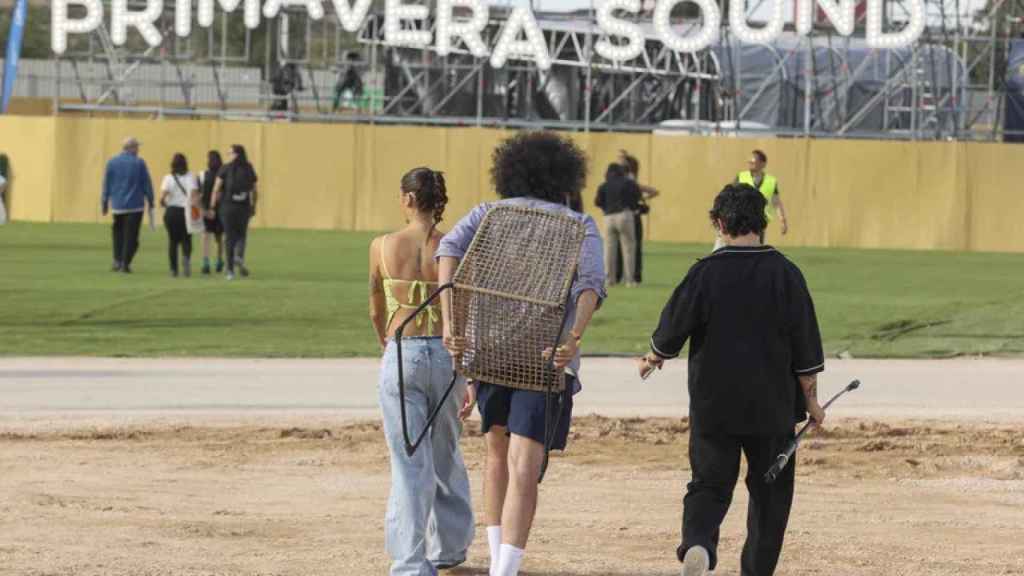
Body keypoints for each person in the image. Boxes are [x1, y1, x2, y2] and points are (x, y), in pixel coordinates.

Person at [437, 132, 606, 576]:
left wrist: (451, 326)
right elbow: (590, 284)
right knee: (525, 466)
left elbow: (447, 252)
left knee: (496, 454)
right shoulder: (579, 224)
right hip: (546, 356)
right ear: (564, 178)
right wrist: (575, 335)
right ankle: (505, 569)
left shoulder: (488, 212)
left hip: (491, 349)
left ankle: (498, 560)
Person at [638, 183, 826, 576]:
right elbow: (805, 349)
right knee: (770, 496)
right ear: (762, 222)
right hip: (772, 409)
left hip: (714, 407)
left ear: (720, 223)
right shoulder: (787, 274)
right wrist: (812, 401)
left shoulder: (705, 273)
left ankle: (699, 544)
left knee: (708, 484)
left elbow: (672, 329)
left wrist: (654, 357)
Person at [368, 167, 474, 576]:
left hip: (403, 354)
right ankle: (448, 547)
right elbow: (464, 311)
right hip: (447, 358)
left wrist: (385, 340)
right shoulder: (454, 247)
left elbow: (376, 306)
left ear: (409, 199)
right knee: (446, 452)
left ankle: (412, 562)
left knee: (408, 459)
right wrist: (468, 371)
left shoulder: (382, 246)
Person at [102, 137, 154, 274]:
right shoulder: (139, 163)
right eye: (137, 147)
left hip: (117, 205)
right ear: (131, 148)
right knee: (132, 237)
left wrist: (104, 202)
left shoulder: (111, 162)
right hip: (135, 205)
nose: (138, 150)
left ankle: (117, 260)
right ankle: (125, 263)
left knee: (118, 234)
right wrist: (151, 199)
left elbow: (106, 183)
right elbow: (146, 183)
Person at [211, 145, 258, 280]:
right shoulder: (249, 168)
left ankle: (230, 270)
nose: (228, 155)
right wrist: (253, 205)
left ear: (236, 154)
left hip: (227, 207)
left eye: (230, 152)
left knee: (229, 238)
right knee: (242, 234)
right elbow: (254, 190)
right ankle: (239, 256)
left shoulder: (225, 168)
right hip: (243, 207)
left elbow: (216, 188)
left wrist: (213, 206)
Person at [617, 150, 660, 284]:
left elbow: (653, 191)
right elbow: (654, 191)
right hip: (634, 216)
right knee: (633, 247)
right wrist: (642, 198)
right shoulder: (632, 183)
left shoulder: (627, 182)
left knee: (623, 247)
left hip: (626, 215)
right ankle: (634, 275)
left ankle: (622, 275)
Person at [595, 162, 641, 286]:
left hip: (608, 217)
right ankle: (629, 280)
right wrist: (633, 207)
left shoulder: (604, 185)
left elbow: (597, 201)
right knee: (628, 248)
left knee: (609, 250)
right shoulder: (628, 183)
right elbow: (636, 197)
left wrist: (606, 208)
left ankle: (609, 280)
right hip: (625, 215)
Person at [159, 153, 200, 277]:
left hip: (171, 212)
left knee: (173, 241)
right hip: (186, 211)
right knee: (187, 239)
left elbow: (162, 198)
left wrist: (165, 205)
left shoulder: (168, 178)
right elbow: (194, 196)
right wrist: (197, 210)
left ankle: (173, 269)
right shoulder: (191, 177)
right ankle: (186, 257)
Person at [735, 149, 788, 244]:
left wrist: (783, 221)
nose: (750, 164)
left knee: (757, 250)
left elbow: (776, 202)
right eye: (749, 162)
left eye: (753, 162)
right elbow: (730, 198)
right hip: (742, 221)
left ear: (763, 164)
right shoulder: (741, 177)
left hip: (760, 222)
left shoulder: (771, 181)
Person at [198, 151, 225, 275]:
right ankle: (219, 260)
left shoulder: (203, 175)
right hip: (221, 209)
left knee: (205, 236)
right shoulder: (224, 175)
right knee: (219, 237)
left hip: (207, 209)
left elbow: (199, 194)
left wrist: (203, 209)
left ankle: (205, 262)